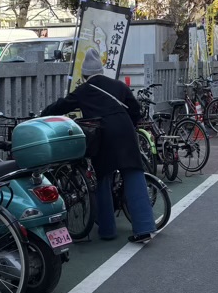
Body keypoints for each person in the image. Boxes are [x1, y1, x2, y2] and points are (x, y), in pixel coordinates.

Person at [41, 48, 155, 243]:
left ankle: (108, 230)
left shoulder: (84, 90)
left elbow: (61, 106)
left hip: (103, 135)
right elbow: (135, 109)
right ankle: (144, 227)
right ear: (101, 71)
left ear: (85, 75)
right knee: (134, 176)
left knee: (102, 179)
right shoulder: (118, 85)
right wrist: (131, 125)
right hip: (125, 131)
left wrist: (43, 115)